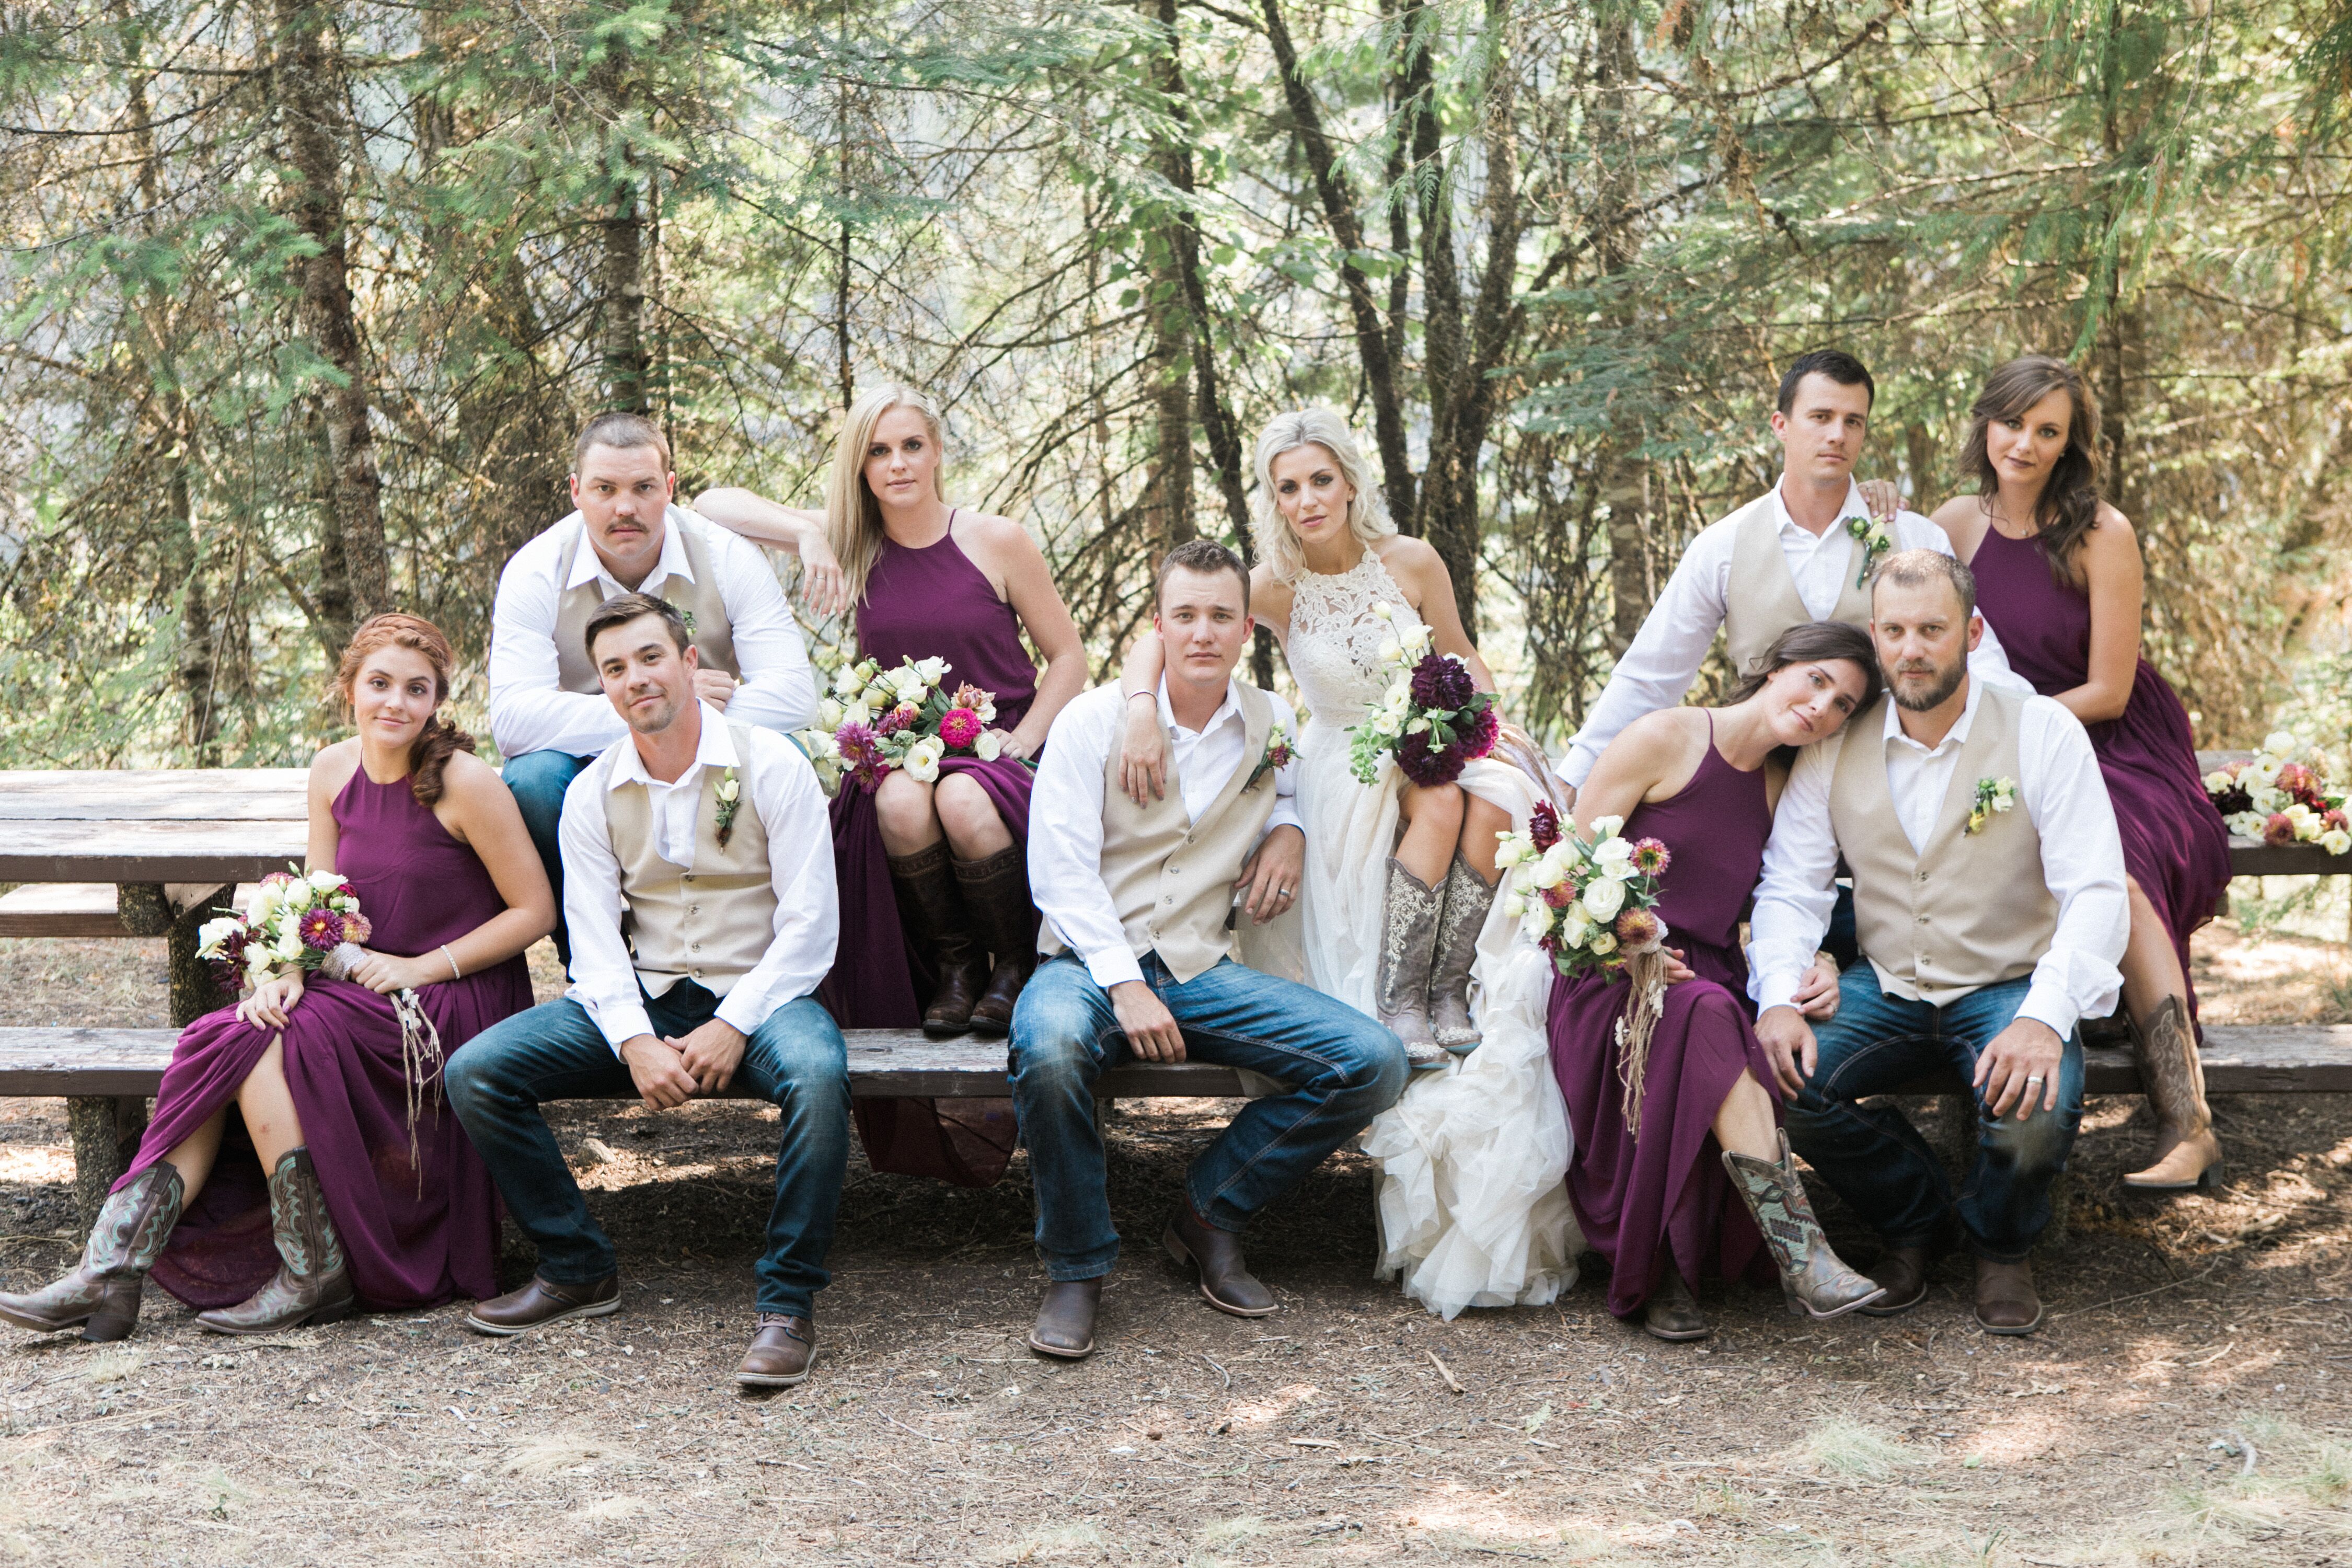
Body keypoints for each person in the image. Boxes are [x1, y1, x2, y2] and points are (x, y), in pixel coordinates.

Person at [0, 615, 551, 1341]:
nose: (396, 703)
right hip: (357, 985)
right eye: (379, 684)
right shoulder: (331, 770)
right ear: (348, 689)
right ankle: (115, 1268)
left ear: (438, 701)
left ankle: (254, 1270)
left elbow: (535, 910)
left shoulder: (463, 784)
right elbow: (318, 899)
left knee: (257, 1044)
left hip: (447, 997)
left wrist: (420, 966)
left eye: (417, 690)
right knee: (238, 1029)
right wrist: (285, 972)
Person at [1012, 539, 1409, 1360]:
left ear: (1246, 631)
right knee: (1048, 1048)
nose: (1203, 632)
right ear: (1158, 624)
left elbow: (1290, 790)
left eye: (1221, 616)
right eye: (1185, 615)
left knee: (1372, 1060)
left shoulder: (1272, 723)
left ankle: (1208, 1211)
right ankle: (1078, 1268)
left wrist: (1290, 832)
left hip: (1198, 966)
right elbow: (1059, 874)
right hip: (1088, 963)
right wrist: (1123, 985)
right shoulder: (1094, 721)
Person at [447, 593, 847, 1390]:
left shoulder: (772, 765)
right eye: (615, 669)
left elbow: (810, 929)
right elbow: (592, 942)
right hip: (649, 998)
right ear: (603, 686)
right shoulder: (592, 792)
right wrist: (632, 1039)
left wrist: (735, 1024)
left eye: (651, 657)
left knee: (818, 1077)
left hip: (763, 995)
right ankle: (576, 1265)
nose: (637, 679)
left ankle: (787, 1302)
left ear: (691, 662)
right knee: (477, 1072)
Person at [694, 385, 1085, 1187]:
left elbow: (1069, 659)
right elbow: (711, 505)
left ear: (937, 451)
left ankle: (1012, 962)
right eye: (878, 452)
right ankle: (955, 970)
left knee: (962, 796)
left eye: (911, 446)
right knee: (904, 796)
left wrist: (1025, 737)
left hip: (1000, 757)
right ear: (861, 468)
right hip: (902, 753)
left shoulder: (995, 540)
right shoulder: (854, 546)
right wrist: (809, 531)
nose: (897, 463)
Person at [1870, 356, 2228, 1192]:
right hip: (1997, 743)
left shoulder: (2101, 531)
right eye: (2012, 423)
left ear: (2071, 444)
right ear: (1985, 423)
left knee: (2121, 867)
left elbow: (2108, 687)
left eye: (2047, 431)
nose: (2023, 444)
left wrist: (2013, 735)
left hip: (2112, 742)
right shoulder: (1955, 523)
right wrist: (1879, 499)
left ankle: (2190, 1123)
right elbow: (1894, 585)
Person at [1750, 551, 2129, 1336]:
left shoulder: (2041, 730)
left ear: (1972, 632)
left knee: (2038, 1104)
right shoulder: (1834, 743)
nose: (1911, 649)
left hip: (2010, 980)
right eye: (1893, 631)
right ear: (1875, 636)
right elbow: (1793, 885)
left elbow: (2095, 891)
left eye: (1932, 629)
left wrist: (2043, 1016)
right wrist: (1782, 995)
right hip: (1889, 983)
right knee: (1788, 1078)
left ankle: (2000, 1246)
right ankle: (1917, 1220)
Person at [1559, 351, 2028, 968]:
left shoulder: (1912, 538)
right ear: (1782, 425)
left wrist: (2034, 737)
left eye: (1854, 421)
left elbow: (1979, 661)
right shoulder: (1724, 545)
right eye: (1821, 416)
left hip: (1880, 775)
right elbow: (1652, 673)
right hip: (1762, 782)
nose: (1837, 434)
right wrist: (1573, 778)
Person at [1115, 409, 1518, 1065]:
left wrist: (1486, 721)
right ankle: (1401, 999)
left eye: (1321, 480)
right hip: (1347, 759)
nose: (1308, 501)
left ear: (1351, 483)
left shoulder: (1411, 561)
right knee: (1443, 804)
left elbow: (1463, 655)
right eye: (1289, 488)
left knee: (1499, 796)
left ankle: (1448, 989)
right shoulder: (1274, 583)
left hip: (1428, 737)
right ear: (1274, 500)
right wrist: (1139, 710)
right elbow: (1165, 633)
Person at [1549, 622, 1884, 1341]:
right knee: (1703, 1011)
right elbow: (1566, 874)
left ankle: (1693, 1262)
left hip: (1711, 977)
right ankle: (1790, 1256)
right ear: (1776, 668)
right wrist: (1628, 946)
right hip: (1610, 971)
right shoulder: (1665, 738)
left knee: (1711, 1011)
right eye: (1817, 680)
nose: (1822, 707)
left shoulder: (1783, 786)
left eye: (1844, 704)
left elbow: (1790, 898)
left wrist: (1817, 962)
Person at [489, 412, 816, 960]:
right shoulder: (536, 569)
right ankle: (592, 961)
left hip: (711, 757)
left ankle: (753, 955)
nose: (625, 507)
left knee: (785, 752)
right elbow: (514, 721)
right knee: (533, 778)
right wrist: (657, 706)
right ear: (576, 492)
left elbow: (792, 696)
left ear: (669, 488)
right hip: (593, 762)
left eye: (643, 488)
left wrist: (689, 726)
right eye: (605, 489)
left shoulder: (726, 554)